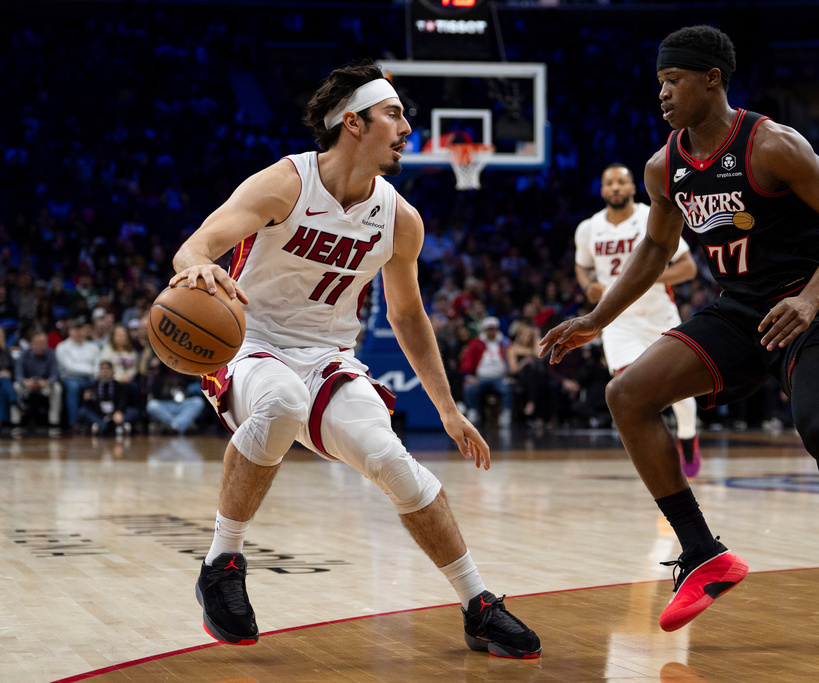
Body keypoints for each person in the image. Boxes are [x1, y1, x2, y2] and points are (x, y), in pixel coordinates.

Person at [169, 62, 540, 658]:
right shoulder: (286, 182)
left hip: (327, 356)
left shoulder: (400, 219)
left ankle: (478, 604)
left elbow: (408, 317)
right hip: (251, 342)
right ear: (353, 123)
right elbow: (199, 242)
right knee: (281, 402)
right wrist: (200, 266)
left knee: (394, 462)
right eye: (393, 114)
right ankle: (222, 562)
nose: (407, 127)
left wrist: (447, 408)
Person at [539, 25, 819, 644]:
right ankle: (702, 552)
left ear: (712, 80)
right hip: (739, 311)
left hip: (812, 309)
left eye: (674, 81)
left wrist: (811, 298)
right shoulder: (664, 166)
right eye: (659, 83)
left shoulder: (771, 145)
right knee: (627, 396)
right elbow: (655, 248)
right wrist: (597, 320)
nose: (664, 94)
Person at [575, 163, 702, 477]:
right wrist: (587, 286)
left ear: (633, 188)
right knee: (628, 387)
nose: (616, 187)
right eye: (610, 183)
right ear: (603, 190)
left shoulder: (651, 216)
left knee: (679, 392)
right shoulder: (588, 228)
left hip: (660, 316)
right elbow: (582, 267)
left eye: (622, 182)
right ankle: (660, 455)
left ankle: (687, 436)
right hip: (618, 320)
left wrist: (649, 277)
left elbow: (688, 268)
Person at [460, 316, 513, 428]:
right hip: (480, 378)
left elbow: (510, 360)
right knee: (469, 387)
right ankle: (473, 411)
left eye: (493, 328)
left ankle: (506, 413)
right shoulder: (477, 343)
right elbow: (468, 359)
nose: (491, 331)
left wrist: (510, 375)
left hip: (500, 378)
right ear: (485, 329)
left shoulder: (504, 343)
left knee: (508, 389)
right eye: (489, 328)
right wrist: (468, 375)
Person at [13, 330, 63, 437]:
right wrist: (26, 381)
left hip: (44, 385)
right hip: (28, 385)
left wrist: (47, 382)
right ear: (31, 343)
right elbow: (18, 374)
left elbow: (55, 374)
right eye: (37, 343)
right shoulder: (24, 354)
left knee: (57, 388)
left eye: (43, 343)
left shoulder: (51, 354)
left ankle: (53, 424)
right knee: (16, 387)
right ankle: (15, 424)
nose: (40, 345)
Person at [55, 317, 100, 429]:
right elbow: (70, 368)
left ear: (85, 330)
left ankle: (99, 419)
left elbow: (98, 364)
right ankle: (74, 421)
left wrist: (94, 372)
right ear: (70, 331)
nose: (78, 332)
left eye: (80, 329)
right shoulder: (62, 347)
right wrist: (91, 370)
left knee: (101, 384)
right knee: (74, 387)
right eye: (75, 329)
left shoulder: (93, 346)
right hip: (70, 378)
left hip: (91, 378)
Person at [79, 360, 139, 436]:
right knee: (83, 411)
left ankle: (106, 425)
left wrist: (119, 411)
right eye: (102, 369)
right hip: (100, 415)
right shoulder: (92, 387)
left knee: (134, 411)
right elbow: (89, 406)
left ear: (113, 371)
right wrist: (85, 399)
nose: (105, 371)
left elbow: (124, 400)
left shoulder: (120, 386)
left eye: (107, 369)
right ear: (99, 372)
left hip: (116, 413)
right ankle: (109, 426)